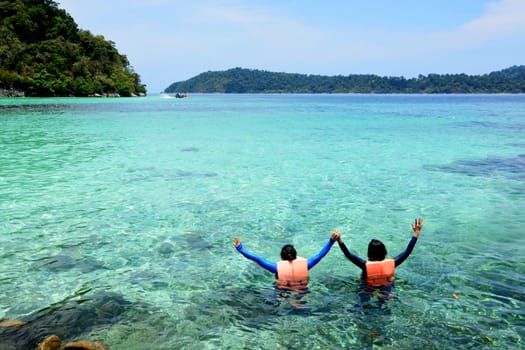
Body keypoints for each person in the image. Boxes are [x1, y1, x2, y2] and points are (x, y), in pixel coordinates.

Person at [334, 218, 424, 303]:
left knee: (363, 300)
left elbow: (348, 254)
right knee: (387, 294)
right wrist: (416, 233)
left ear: (369, 253)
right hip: (386, 287)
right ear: (384, 251)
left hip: (367, 288)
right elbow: (407, 251)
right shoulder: (393, 263)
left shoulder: (364, 265)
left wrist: (339, 240)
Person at [233, 232, 338, 290]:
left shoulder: (276, 268)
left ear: (281, 257)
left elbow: (257, 259)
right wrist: (331, 241)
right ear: (296, 256)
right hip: (302, 291)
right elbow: (320, 255)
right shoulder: (306, 265)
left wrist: (240, 249)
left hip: (282, 290)